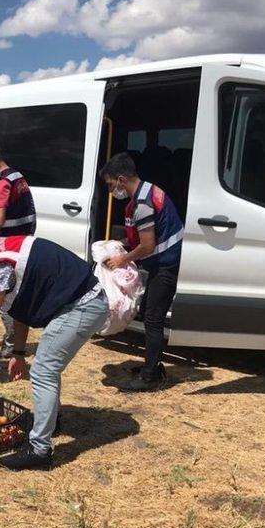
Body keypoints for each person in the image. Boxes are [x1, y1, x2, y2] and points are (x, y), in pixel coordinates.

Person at [0, 226, 109, 471]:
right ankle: (51, 423)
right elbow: (21, 305)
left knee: (44, 370)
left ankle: (40, 450)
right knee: (46, 368)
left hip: (83, 304)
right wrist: (19, 353)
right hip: (84, 300)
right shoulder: (3, 247)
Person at [100, 152, 184, 391]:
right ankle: (152, 364)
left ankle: (150, 377)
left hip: (166, 266)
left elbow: (147, 245)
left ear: (120, 179)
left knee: (153, 319)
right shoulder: (148, 191)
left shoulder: (143, 204)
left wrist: (121, 259)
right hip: (165, 262)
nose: (111, 190)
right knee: (149, 312)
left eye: (110, 184)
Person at [0, 139, 37, 359]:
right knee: (16, 293)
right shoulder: (17, 176)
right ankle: (12, 340)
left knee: (5, 299)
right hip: (23, 241)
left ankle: (12, 344)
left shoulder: (2, 182)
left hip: (9, 245)